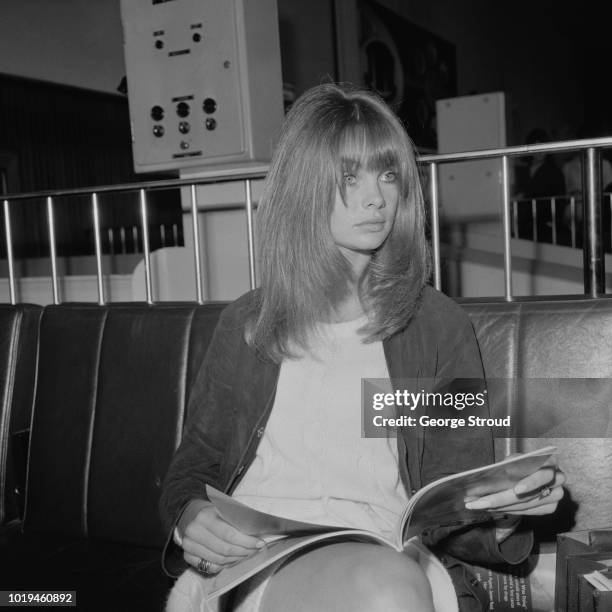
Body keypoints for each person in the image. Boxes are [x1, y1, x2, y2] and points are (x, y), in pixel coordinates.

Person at [160, 84, 565, 612]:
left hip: (393, 554)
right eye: (349, 177)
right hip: (263, 558)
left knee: (388, 588)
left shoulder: (437, 325)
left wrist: (506, 511)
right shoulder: (251, 322)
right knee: (385, 594)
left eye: (388, 173)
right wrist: (191, 516)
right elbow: (195, 464)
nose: (376, 197)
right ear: (304, 188)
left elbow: (449, 494)